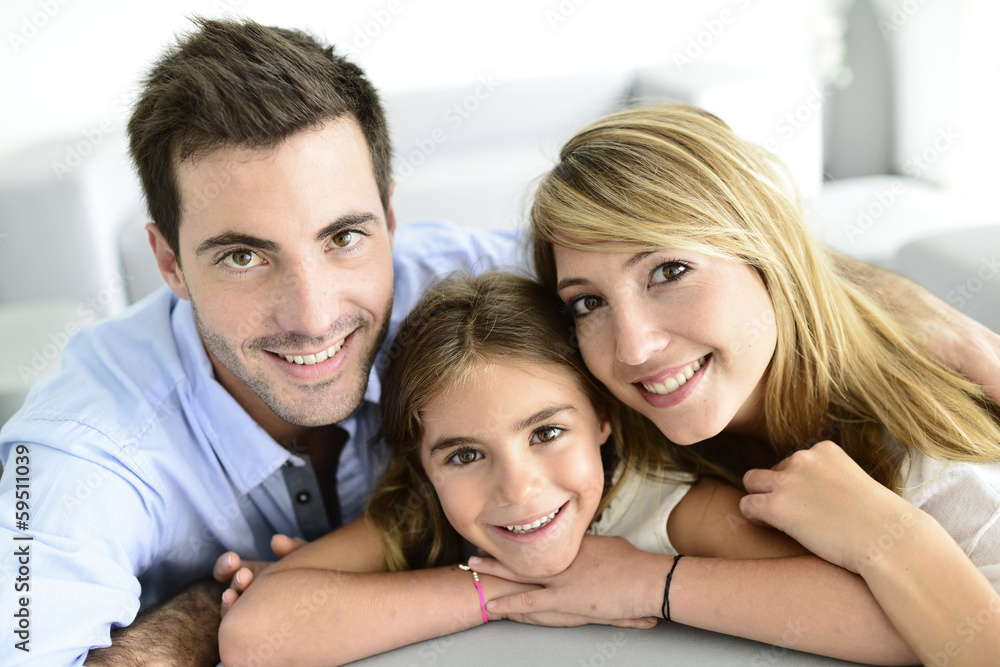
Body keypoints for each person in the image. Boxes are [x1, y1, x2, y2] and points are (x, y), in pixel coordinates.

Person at [0, 17, 993, 666]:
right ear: (168, 264)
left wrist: (918, 314)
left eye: (344, 237)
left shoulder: (487, 292)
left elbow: (709, 251)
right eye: (242, 255)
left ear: (391, 217)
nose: (311, 310)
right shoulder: (80, 460)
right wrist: (185, 623)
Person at [478, 103, 1000, 664]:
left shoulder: (937, 466)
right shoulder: (601, 438)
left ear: (766, 253)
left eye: (668, 271)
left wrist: (888, 535)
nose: (633, 348)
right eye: (589, 302)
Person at [217, 271, 913, 666]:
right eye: (464, 454)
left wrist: (647, 584)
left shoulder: (665, 504)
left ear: (604, 417)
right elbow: (255, 634)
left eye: (547, 431)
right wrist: (509, 590)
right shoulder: (427, 514)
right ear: (425, 468)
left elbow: (887, 619)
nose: (517, 487)